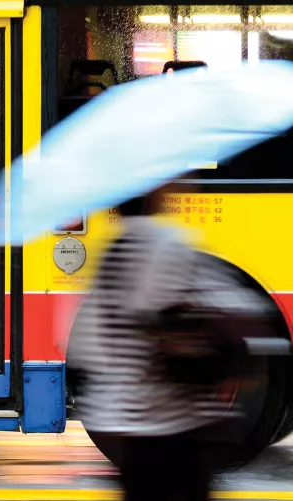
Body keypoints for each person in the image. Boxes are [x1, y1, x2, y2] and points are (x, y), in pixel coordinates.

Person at [68, 187, 268, 501]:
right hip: (177, 433)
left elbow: (86, 353)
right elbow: (236, 313)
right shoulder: (169, 244)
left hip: (129, 439)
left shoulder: (109, 255)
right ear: (153, 196)